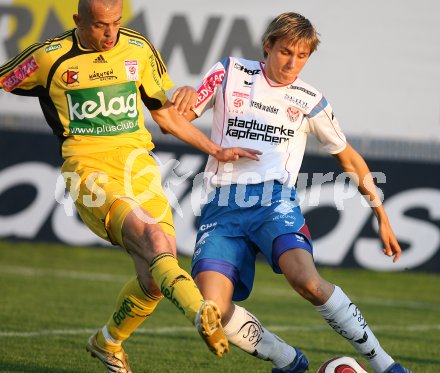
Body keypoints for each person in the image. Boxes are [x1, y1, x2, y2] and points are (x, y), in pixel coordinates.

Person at [0, 0, 263, 372]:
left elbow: (165, 113)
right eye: (100, 25)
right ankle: (200, 311)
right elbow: (4, 78)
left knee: (155, 277)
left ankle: (108, 342)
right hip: (89, 169)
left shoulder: (138, 48)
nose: (110, 34)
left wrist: (216, 149)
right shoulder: (49, 57)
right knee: (153, 241)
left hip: (139, 165)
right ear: (78, 21)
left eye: (117, 23)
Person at [174, 11, 413, 373]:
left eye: (302, 56)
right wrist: (184, 95)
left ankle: (386, 366)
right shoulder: (229, 72)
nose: (293, 63)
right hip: (222, 204)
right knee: (213, 309)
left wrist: (381, 215)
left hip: (274, 202)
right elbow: (177, 118)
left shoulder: (310, 99)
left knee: (308, 283)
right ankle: (287, 360)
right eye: (286, 52)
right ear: (268, 46)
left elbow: (349, 159)